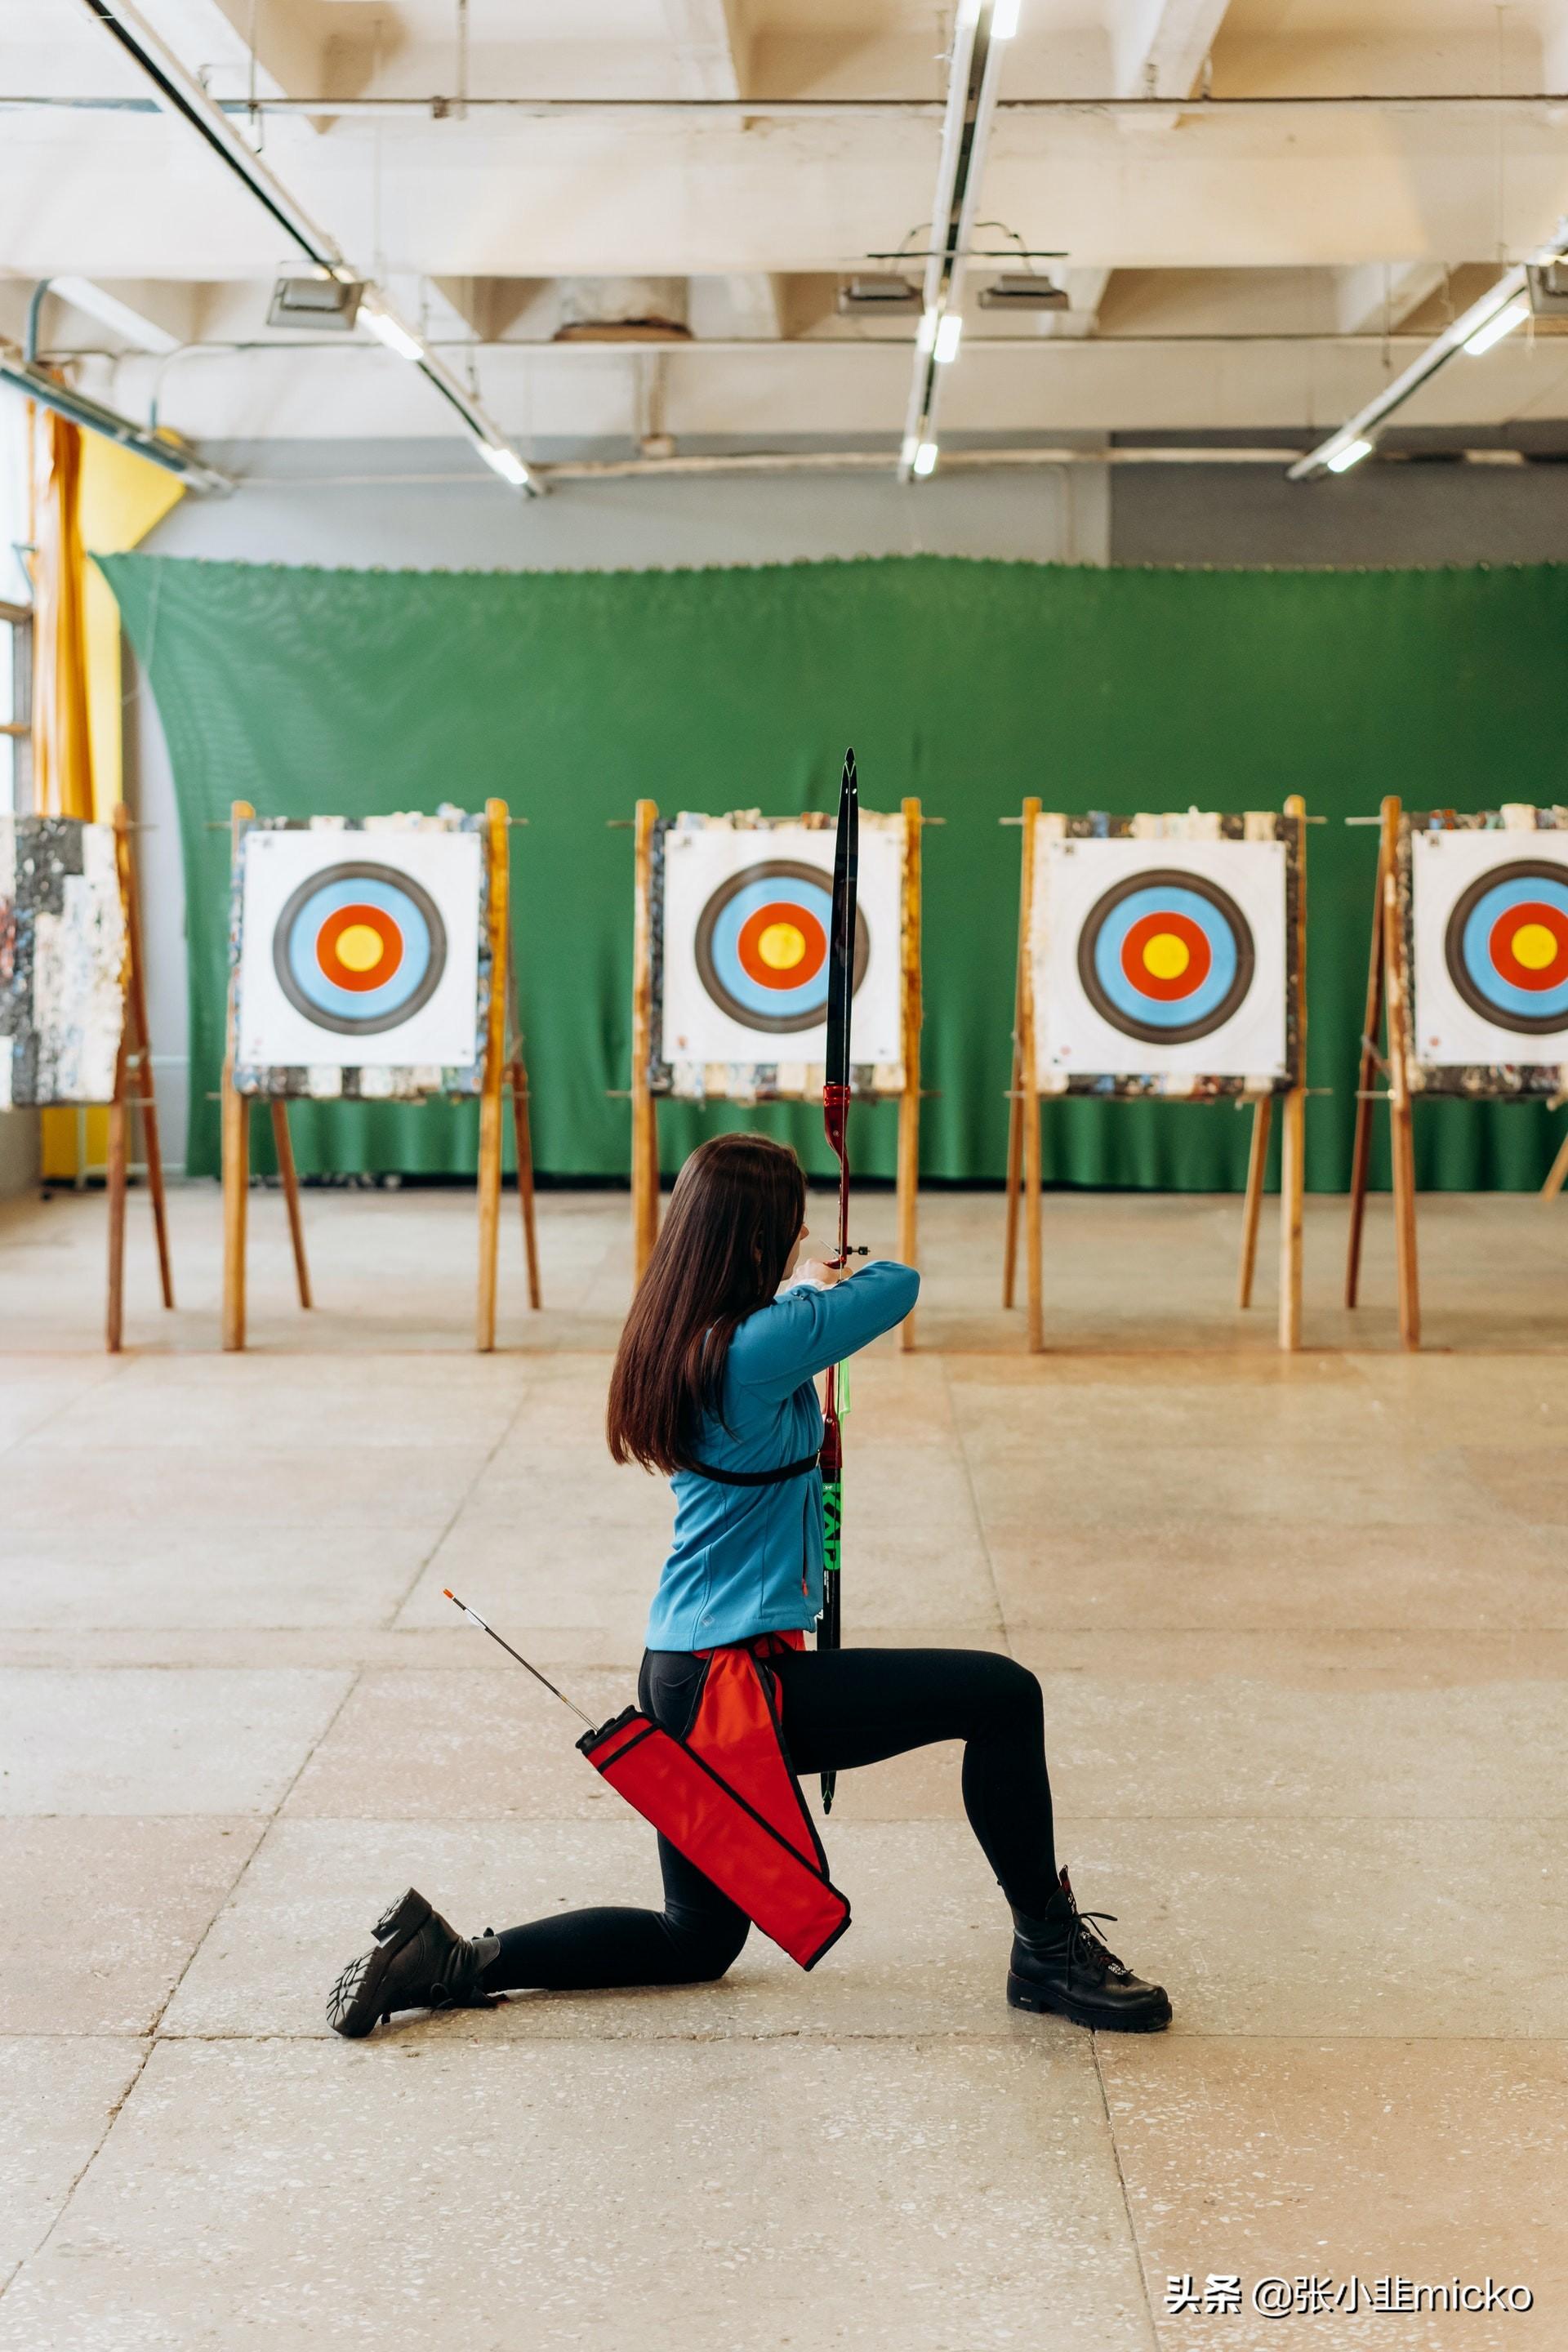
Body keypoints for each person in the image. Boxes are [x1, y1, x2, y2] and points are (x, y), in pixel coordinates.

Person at [327, 1132, 1169, 2038]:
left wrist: (796, 1286)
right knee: (1002, 1696)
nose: (807, 1227)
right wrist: (816, 1285)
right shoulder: (756, 1348)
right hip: (733, 1690)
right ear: (757, 1239)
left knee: (695, 1941)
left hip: (681, 1671)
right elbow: (900, 1287)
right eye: (792, 1220)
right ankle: (1047, 1952)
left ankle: (448, 1959)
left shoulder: (681, 1333)